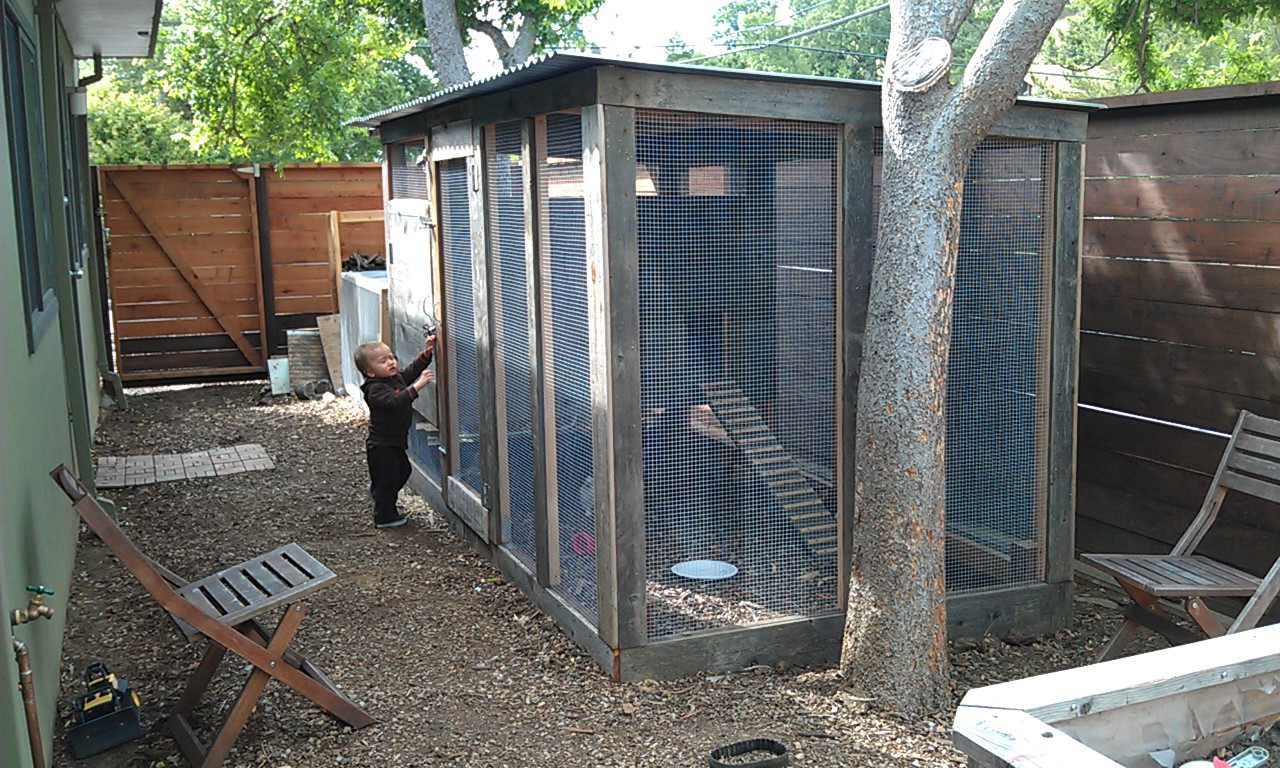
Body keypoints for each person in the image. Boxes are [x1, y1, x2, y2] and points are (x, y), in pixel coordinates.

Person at [354, 335, 435, 528]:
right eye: (383, 361)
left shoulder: (393, 378)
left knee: (403, 471)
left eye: (391, 357)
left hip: (395, 441)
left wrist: (426, 354)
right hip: (381, 445)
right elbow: (397, 402)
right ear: (369, 372)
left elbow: (410, 372)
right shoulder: (375, 390)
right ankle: (384, 516)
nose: (391, 362)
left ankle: (379, 490)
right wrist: (419, 386)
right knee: (389, 478)